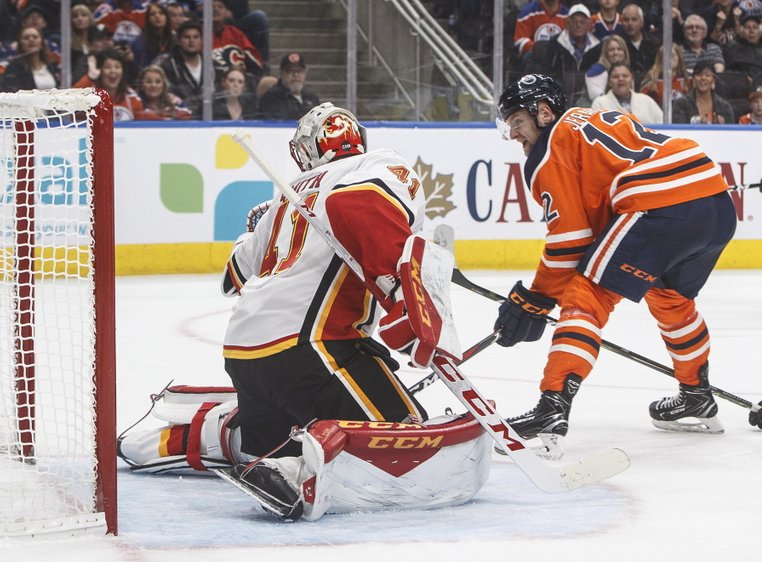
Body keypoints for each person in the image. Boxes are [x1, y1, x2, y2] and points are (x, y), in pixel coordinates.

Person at [220, 103, 458, 517]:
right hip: (309, 348)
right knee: (405, 440)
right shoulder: (379, 165)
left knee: (272, 445)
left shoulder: (285, 197)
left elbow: (233, 278)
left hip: (243, 354)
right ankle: (301, 468)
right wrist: (398, 290)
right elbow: (361, 204)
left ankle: (260, 448)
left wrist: (254, 230)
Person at [494, 74, 735, 458]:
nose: (514, 135)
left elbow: (568, 242)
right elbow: (593, 227)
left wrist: (536, 298)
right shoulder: (589, 118)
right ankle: (696, 395)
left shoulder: (550, 148)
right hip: (715, 200)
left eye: (517, 123)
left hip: (660, 206)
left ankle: (552, 407)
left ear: (543, 112)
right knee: (669, 297)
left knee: (584, 295)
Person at [528, 3, 601, 106]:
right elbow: (546, 73)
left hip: (588, 96)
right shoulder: (555, 43)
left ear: (589, 24)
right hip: (561, 94)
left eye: (582, 22)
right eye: (574, 22)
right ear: (567, 23)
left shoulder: (597, 45)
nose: (578, 25)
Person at [74, 48, 143, 120]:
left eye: (117, 67)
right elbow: (70, 100)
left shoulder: (132, 98)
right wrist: (90, 77)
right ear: (99, 70)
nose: (113, 71)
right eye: (107, 67)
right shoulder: (89, 94)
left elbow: (142, 128)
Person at [590, 62, 664, 123]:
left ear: (632, 79)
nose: (621, 79)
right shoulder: (599, 103)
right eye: (616, 76)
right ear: (609, 81)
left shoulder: (647, 101)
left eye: (625, 76)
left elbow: (663, 124)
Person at [159, 20, 207, 111]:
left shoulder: (213, 65)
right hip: (180, 118)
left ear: (201, 40)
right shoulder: (167, 67)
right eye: (187, 37)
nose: (191, 41)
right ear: (178, 41)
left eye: (196, 37)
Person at [209, 0, 263, 82]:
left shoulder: (236, 33)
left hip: (239, 82)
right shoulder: (198, 35)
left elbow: (254, 61)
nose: (215, 9)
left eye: (220, 7)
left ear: (226, 12)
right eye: (212, 7)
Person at [258, 52, 320, 120]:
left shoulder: (311, 97)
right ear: (281, 74)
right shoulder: (271, 98)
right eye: (290, 71)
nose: (296, 75)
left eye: (299, 71)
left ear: (305, 73)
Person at [672, 59, 736, 123]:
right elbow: (679, 130)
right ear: (693, 79)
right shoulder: (681, 104)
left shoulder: (724, 107)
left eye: (707, 75)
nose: (703, 78)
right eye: (699, 75)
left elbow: (731, 131)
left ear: (713, 80)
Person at [0, 26, 59, 91]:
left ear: (42, 43)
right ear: (20, 44)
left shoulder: (51, 66)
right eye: (26, 38)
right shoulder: (14, 68)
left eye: (35, 37)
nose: (31, 40)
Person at [584, 34, 631, 100]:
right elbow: (596, 98)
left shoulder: (628, 71)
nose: (615, 53)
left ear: (625, 52)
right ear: (606, 53)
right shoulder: (596, 71)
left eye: (619, 49)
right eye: (611, 50)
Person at [131, 1, 173, 69]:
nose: (157, 16)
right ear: (148, 19)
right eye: (153, 14)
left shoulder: (174, 39)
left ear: (167, 17)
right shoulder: (140, 42)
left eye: (161, 13)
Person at [722, 10, 762, 83]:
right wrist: (742, 78)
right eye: (747, 27)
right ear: (742, 31)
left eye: (755, 27)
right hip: (739, 86)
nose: (751, 31)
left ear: (760, 32)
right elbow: (727, 72)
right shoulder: (732, 48)